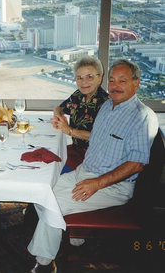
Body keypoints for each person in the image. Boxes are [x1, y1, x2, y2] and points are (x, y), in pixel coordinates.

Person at [28, 59, 158, 273]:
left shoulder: (142, 117)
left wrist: (97, 183)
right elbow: (94, 138)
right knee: (39, 192)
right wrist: (68, 131)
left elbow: (136, 164)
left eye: (122, 81)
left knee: (52, 204)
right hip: (85, 172)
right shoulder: (108, 106)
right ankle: (77, 236)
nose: (115, 86)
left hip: (112, 185)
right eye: (113, 80)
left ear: (136, 83)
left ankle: (44, 262)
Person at [51, 56, 109, 172]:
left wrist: (69, 130)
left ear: (100, 79)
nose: (84, 82)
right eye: (79, 78)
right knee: (46, 161)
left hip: (94, 157)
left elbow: (99, 136)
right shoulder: (78, 96)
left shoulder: (106, 104)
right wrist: (58, 118)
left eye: (89, 77)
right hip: (75, 150)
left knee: (55, 171)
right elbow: (59, 108)